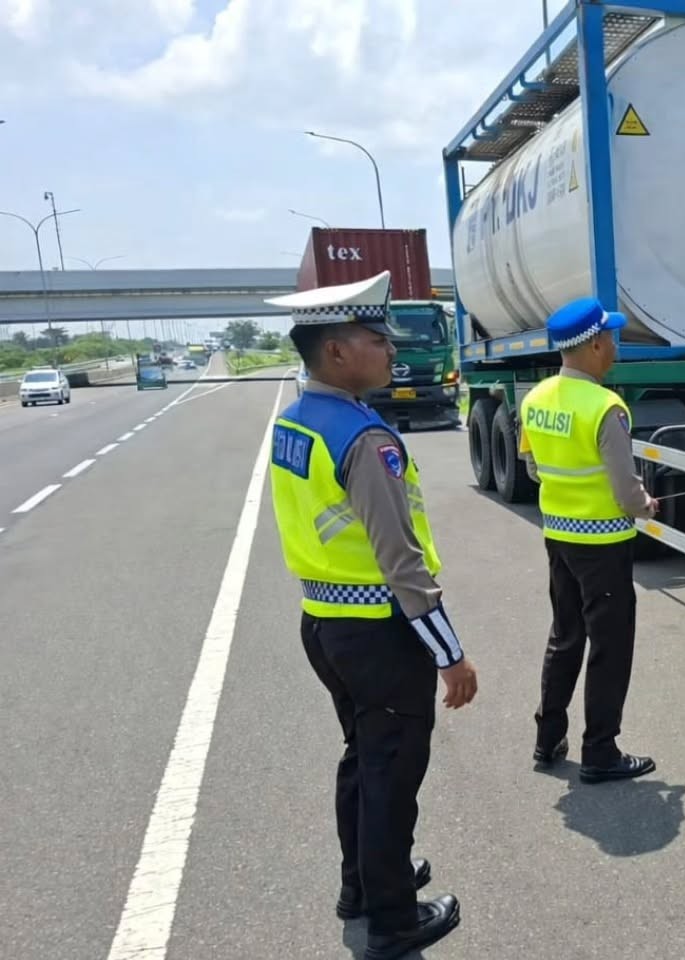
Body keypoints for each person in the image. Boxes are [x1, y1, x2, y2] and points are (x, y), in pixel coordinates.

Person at [263, 271, 477, 960]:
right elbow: (402, 564)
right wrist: (450, 654)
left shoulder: (295, 420)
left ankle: (362, 882)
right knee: (391, 774)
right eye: (376, 339)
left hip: (322, 624)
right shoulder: (363, 439)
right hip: (378, 634)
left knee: (363, 758)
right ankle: (392, 917)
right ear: (335, 353)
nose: (391, 351)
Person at [517, 296, 660, 784]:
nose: (615, 345)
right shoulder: (606, 407)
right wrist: (646, 505)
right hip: (604, 543)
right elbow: (625, 491)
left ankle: (547, 736)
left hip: (558, 536)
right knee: (610, 645)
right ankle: (600, 750)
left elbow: (534, 469)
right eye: (612, 337)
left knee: (565, 635)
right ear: (596, 344)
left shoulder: (533, 400)